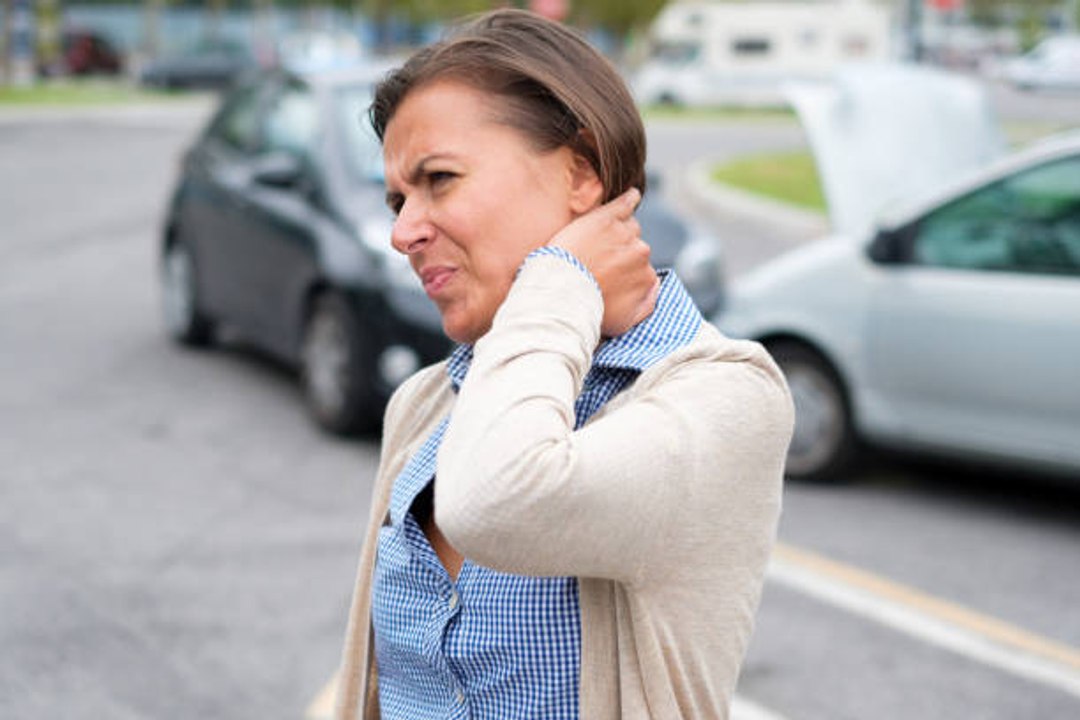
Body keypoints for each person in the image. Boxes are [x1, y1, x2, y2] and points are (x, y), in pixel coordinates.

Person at [334, 9, 793, 720]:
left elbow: (500, 502)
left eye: (440, 179)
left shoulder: (724, 393)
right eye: (397, 199)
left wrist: (562, 278)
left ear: (580, 172)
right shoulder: (425, 403)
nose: (401, 232)